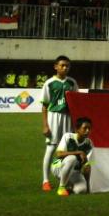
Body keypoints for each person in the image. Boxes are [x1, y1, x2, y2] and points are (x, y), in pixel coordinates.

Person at [41, 55, 78, 191]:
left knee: (66, 150)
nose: (65, 68)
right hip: (54, 117)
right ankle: (45, 180)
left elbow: (76, 102)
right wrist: (45, 125)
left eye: (67, 66)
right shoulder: (49, 83)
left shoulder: (72, 83)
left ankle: (64, 179)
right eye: (62, 65)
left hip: (68, 117)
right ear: (56, 66)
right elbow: (44, 105)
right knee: (51, 148)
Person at [51, 116, 94, 196]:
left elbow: (88, 166)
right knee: (72, 158)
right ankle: (61, 187)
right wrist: (78, 152)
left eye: (89, 128)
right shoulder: (68, 136)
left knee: (81, 190)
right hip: (57, 166)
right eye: (85, 128)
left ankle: (68, 186)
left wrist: (88, 187)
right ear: (77, 129)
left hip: (75, 171)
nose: (87, 131)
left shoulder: (89, 143)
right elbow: (59, 154)